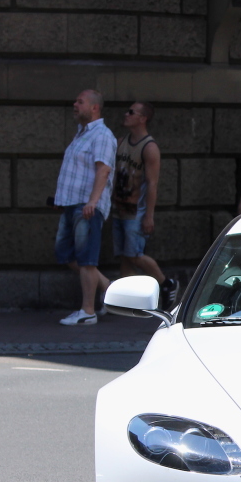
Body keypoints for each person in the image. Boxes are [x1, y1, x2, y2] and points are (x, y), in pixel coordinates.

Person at [54, 89, 117, 326]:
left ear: (94, 107)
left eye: (80, 101)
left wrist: (92, 202)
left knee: (87, 259)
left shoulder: (101, 135)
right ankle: (108, 289)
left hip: (87, 205)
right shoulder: (81, 135)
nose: (74, 104)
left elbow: (103, 170)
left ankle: (87, 311)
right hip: (72, 204)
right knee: (67, 254)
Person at [112, 101, 177, 310]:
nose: (126, 114)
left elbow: (152, 184)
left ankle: (165, 282)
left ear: (143, 118)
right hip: (119, 208)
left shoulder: (149, 148)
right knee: (125, 257)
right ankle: (127, 300)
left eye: (131, 112)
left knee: (134, 254)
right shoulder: (121, 142)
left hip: (135, 212)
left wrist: (149, 215)